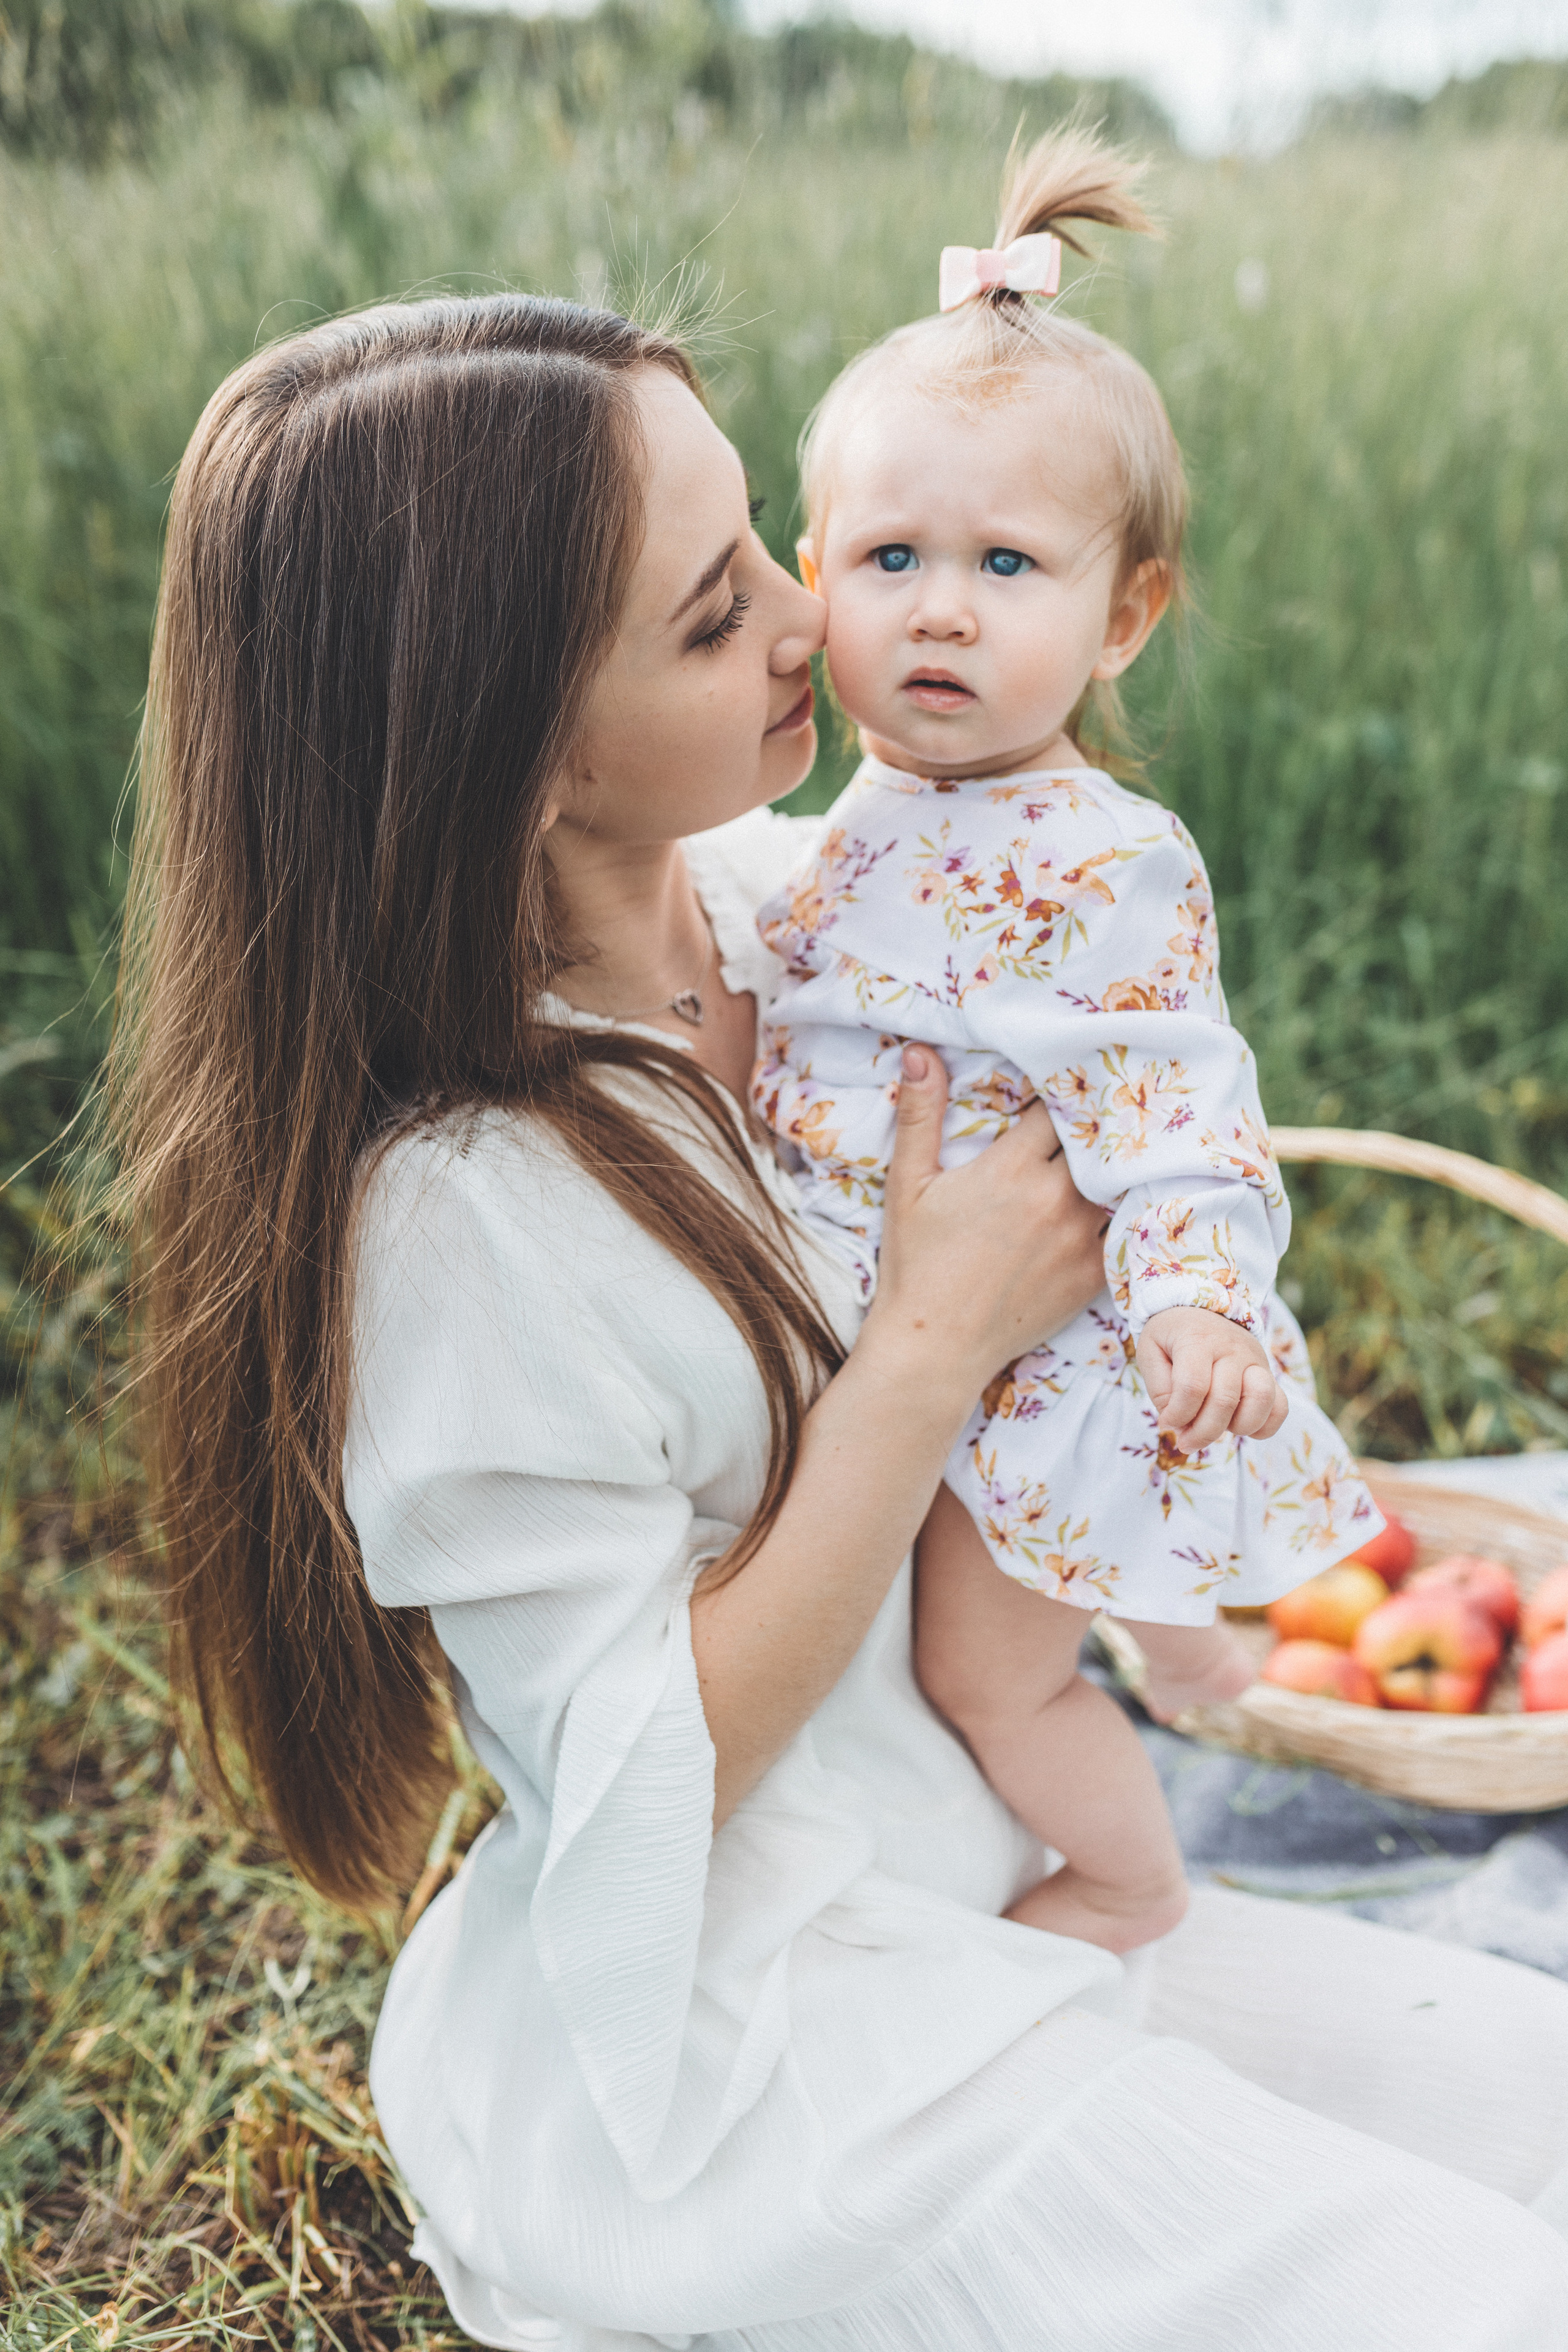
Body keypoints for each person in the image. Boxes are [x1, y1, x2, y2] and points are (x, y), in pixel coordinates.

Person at [114, 290, 1568, 2352]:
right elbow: (636, 1792)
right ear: (510, 758)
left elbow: (1140, 1092)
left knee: (1540, 2119)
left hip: (988, 1876)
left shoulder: (806, 905)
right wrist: (923, 1360)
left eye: (778, 548)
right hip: (766, 2029)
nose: (822, 622)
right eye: (718, 617)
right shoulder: (455, 1221)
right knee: (1490, 2305)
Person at [752, 126, 1379, 1956]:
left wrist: (1193, 1295)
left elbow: (1182, 1096)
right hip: (917, 1331)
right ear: (817, 581)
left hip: (1069, 1355)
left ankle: (1127, 1873)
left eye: (1010, 564)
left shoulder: (1109, 854)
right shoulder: (835, 824)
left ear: (1125, 617)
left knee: (989, 1665)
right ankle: (1182, 1638)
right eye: (892, 555)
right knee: (998, 1599)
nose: (942, 606)